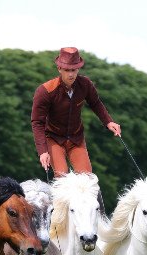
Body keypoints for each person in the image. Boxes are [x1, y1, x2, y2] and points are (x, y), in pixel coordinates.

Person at [31, 47, 121, 212]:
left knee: (88, 181)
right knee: (63, 179)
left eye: (74, 70)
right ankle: (58, 218)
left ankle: (100, 218)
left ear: (78, 69)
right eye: (67, 70)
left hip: (76, 139)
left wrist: (108, 122)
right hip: (54, 139)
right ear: (59, 68)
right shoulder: (45, 91)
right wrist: (43, 151)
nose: (71, 74)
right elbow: (37, 122)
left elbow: (96, 103)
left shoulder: (85, 84)